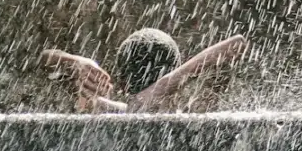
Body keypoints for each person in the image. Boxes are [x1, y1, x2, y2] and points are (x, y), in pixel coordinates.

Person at [41, 28, 248, 112]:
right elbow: (237, 43)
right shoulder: (186, 115)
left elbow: (44, 59)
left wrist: (79, 62)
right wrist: (174, 79)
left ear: (122, 80)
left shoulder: (109, 109)